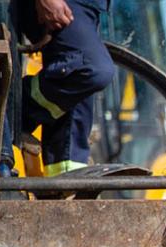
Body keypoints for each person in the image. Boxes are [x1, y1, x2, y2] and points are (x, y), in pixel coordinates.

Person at [20, 0, 116, 176]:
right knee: (92, 68)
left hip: (90, 8)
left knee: (71, 77)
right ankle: (16, 114)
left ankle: (64, 183)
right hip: (62, 5)